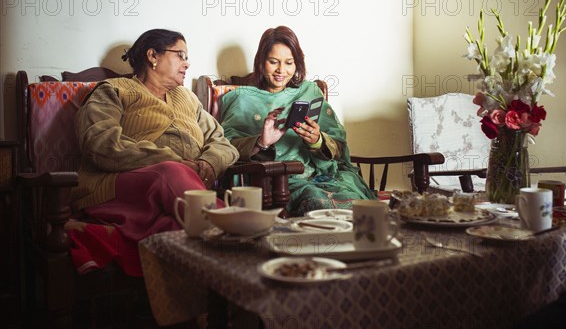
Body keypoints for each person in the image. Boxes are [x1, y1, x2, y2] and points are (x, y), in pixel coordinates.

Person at [70, 28, 239, 275]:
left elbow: (223, 143)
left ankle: (202, 308)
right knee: (169, 173)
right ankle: (235, 230)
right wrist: (174, 161)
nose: (187, 63)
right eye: (181, 55)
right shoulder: (114, 90)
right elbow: (99, 142)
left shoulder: (188, 99)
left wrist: (208, 164)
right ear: (153, 56)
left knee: (177, 229)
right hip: (115, 187)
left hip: (179, 194)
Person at [219, 26, 375, 216]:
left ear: (297, 64)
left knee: (360, 208)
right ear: (261, 62)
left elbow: (339, 145)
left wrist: (317, 140)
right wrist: (262, 142)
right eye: (273, 62)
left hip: (324, 175)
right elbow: (226, 149)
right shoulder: (241, 98)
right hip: (278, 180)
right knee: (317, 203)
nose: (281, 70)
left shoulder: (310, 92)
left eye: (289, 63)